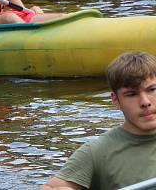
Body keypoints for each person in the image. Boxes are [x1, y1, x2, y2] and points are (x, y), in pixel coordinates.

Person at [40, 51, 156, 190]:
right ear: (116, 100)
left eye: (152, 89)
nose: (145, 102)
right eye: (132, 94)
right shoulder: (97, 153)